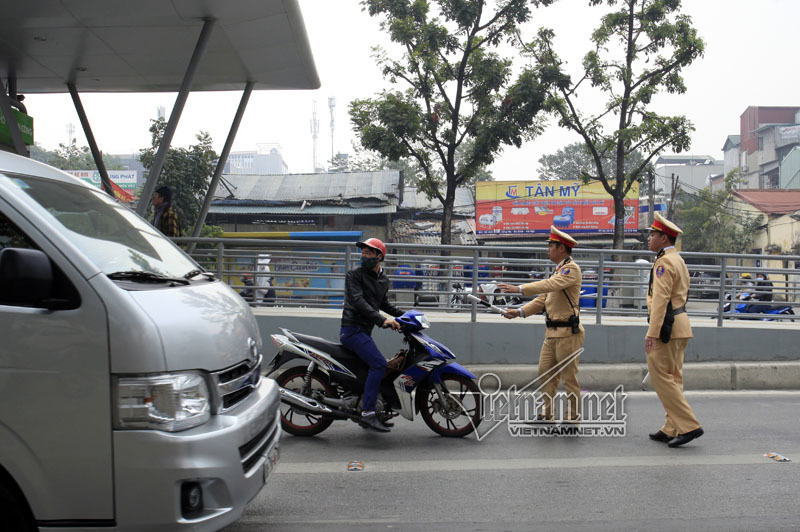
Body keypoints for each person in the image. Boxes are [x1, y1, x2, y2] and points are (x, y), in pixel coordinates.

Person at [497, 226, 584, 422]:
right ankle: (547, 414)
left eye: (551, 246)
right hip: (552, 332)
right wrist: (519, 312)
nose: (548, 249)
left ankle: (572, 418)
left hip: (567, 333)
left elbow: (549, 285)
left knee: (568, 378)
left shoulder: (571, 269)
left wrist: (520, 288)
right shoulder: (558, 271)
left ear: (561, 248)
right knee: (545, 374)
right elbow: (543, 299)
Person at [646, 213, 704, 447]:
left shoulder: (664, 262)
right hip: (680, 324)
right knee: (674, 377)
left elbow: (660, 300)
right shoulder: (677, 259)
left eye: (652, 234)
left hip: (666, 328)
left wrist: (652, 333)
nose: (649, 238)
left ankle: (689, 426)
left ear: (663, 238)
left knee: (661, 377)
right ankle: (671, 427)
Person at [340, 238, 404, 432]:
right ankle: (368, 414)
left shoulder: (383, 280)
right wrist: (382, 320)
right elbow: (358, 301)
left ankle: (372, 408)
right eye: (363, 253)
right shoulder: (354, 275)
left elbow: (383, 304)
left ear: (379, 256)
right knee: (379, 364)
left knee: (374, 368)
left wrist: (407, 316)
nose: (364, 256)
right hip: (352, 330)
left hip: (364, 332)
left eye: (368, 253)